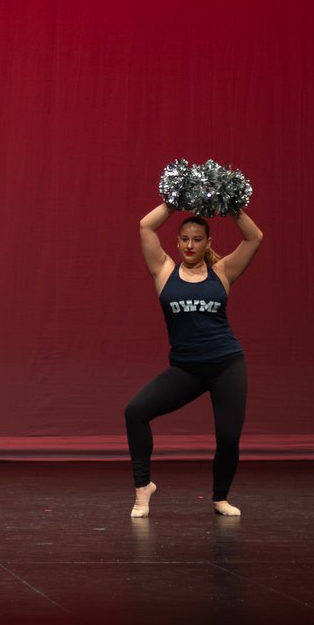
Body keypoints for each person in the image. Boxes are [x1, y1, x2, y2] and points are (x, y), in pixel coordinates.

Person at [126, 201, 265, 517]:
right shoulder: (163, 271)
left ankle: (220, 498)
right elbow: (145, 226)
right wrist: (172, 203)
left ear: (208, 243)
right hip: (187, 369)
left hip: (226, 364)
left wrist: (231, 205)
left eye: (197, 239)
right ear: (176, 241)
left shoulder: (223, 271)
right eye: (184, 238)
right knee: (135, 411)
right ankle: (142, 490)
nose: (190, 245)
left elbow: (254, 237)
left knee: (228, 437)